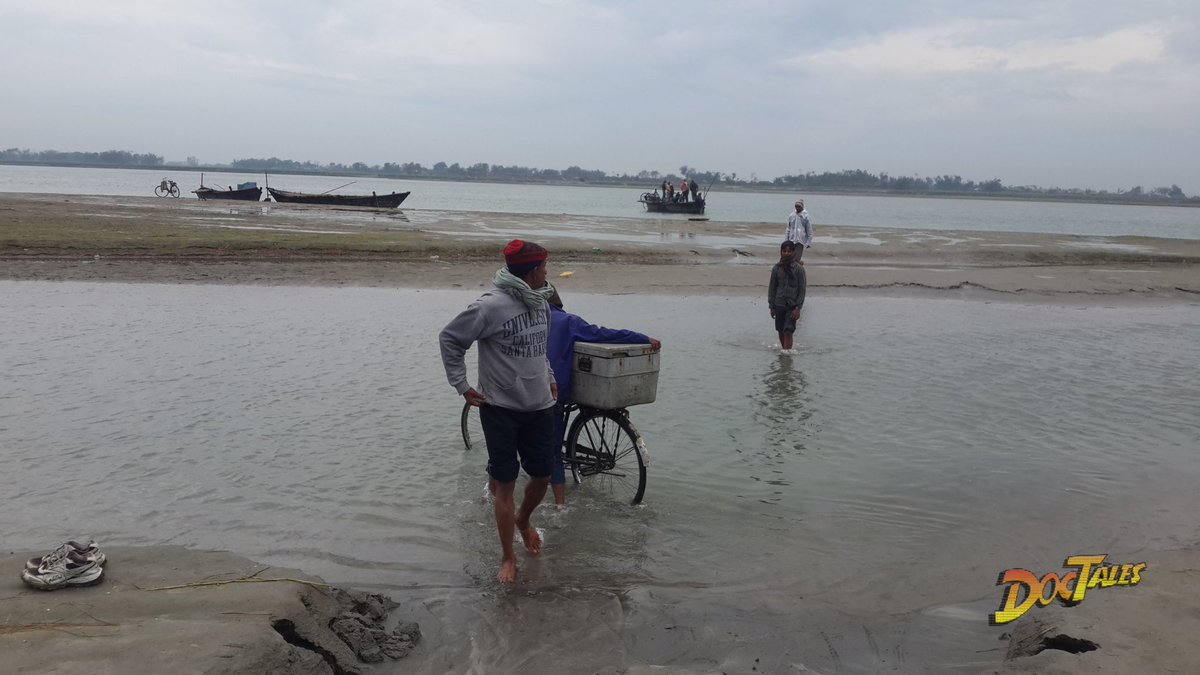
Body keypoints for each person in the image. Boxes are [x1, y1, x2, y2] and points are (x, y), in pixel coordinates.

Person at [440, 239, 558, 584]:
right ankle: (508, 557)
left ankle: (523, 520)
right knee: (504, 484)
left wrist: (548, 376)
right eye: (545, 267)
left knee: (542, 477)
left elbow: (541, 349)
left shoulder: (541, 302)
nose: (548, 272)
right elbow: (450, 339)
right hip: (501, 409)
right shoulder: (489, 307)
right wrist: (462, 386)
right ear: (533, 271)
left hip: (540, 406)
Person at [544, 289, 660, 506]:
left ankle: (559, 506)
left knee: (548, 450)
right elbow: (606, 334)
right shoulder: (569, 321)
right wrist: (643, 338)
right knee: (552, 447)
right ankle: (559, 503)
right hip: (561, 391)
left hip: (540, 393)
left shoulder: (530, 320)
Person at [768, 241, 806, 351]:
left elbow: (802, 290)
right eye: (784, 251)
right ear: (781, 252)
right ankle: (784, 352)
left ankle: (787, 356)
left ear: (794, 252)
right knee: (780, 330)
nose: (786, 253)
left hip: (792, 305)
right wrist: (771, 306)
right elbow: (772, 288)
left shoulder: (799, 269)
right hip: (778, 304)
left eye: (789, 251)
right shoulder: (776, 268)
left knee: (788, 331)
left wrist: (798, 308)